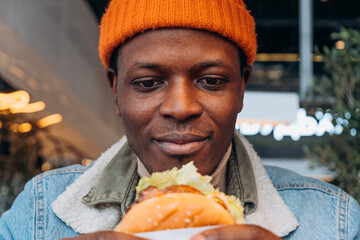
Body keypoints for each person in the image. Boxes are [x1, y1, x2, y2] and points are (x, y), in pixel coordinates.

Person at [1, 0, 360, 239]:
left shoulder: (335, 220)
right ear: (115, 91)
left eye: (212, 81)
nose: (180, 106)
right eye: (147, 83)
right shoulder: (39, 212)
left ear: (241, 88)